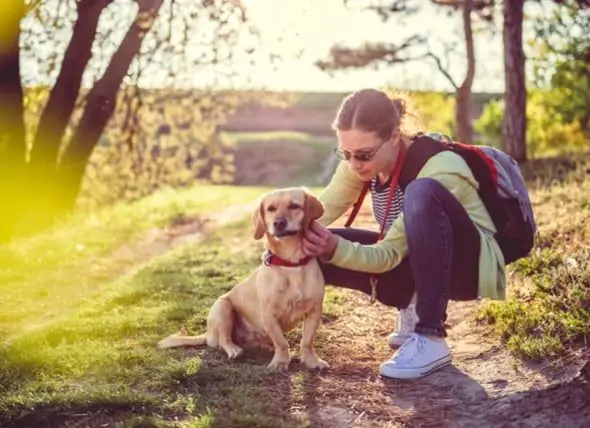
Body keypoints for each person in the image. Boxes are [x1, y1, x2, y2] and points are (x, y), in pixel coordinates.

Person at [301, 88, 507, 380]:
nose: (353, 163)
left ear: (394, 136)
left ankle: (431, 336)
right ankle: (411, 302)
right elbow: (317, 213)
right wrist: (285, 241)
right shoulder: (359, 164)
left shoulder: (440, 167)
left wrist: (335, 247)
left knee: (421, 193)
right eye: (345, 153)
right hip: (414, 257)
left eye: (363, 154)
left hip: (467, 268)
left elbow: (387, 255)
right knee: (310, 246)